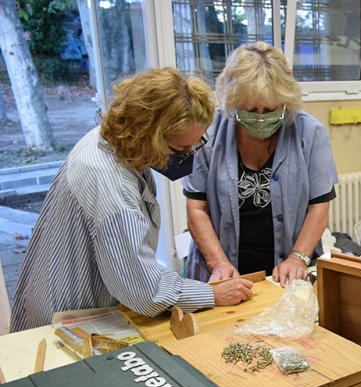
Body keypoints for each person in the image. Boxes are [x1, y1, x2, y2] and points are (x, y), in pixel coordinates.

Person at [10, 68, 253, 333]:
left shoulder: (111, 141)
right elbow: (145, 291)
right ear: (147, 134)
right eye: (181, 149)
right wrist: (211, 295)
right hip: (68, 318)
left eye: (195, 145)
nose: (189, 155)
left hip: (69, 299)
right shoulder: (109, 184)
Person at [183, 42, 338, 287]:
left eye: (270, 109)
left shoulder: (310, 133)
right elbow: (196, 209)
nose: (261, 116)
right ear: (233, 102)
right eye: (250, 109)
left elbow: (319, 207)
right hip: (223, 272)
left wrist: (297, 258)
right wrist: (219, 264)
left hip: (287, 275)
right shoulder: (209, 133)